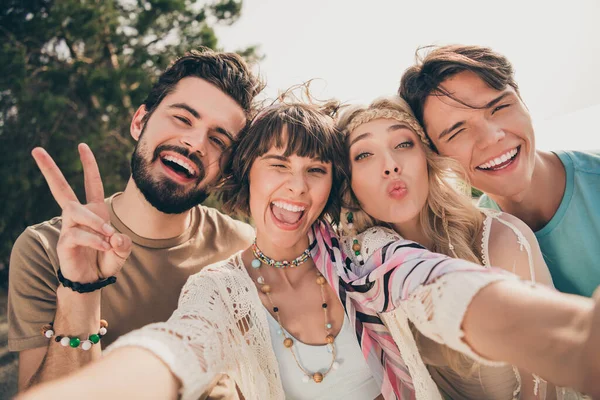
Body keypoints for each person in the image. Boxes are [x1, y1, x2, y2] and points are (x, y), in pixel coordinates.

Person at [18, 95, 600, 400]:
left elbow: (440, 287)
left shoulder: (361, 252)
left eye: (316, 169)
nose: (297, 186)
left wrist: (576, 340)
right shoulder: (219, 288)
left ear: (331, 184)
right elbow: (177, 350)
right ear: (247, 177)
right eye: (277, 166)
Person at [7, 48, 264, 397]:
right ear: (140, 121)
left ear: (225, 172)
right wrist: (79, 289)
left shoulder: (246, 251)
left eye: (218, 140)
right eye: (183, 119)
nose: (195, 143)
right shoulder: (44, 249)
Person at [336, 96, 583, 399]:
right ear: (348, 183)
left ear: (427, 156)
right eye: (364, 155)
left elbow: (547, 381)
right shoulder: (357, 263)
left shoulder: (500, 240)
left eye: (403, 144)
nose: (390, 166)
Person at [398, 44, 600, 298]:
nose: (492, 137)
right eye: (458, 131)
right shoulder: (474, 245)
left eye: (499, 108)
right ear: (437, 158)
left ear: (522, 100)